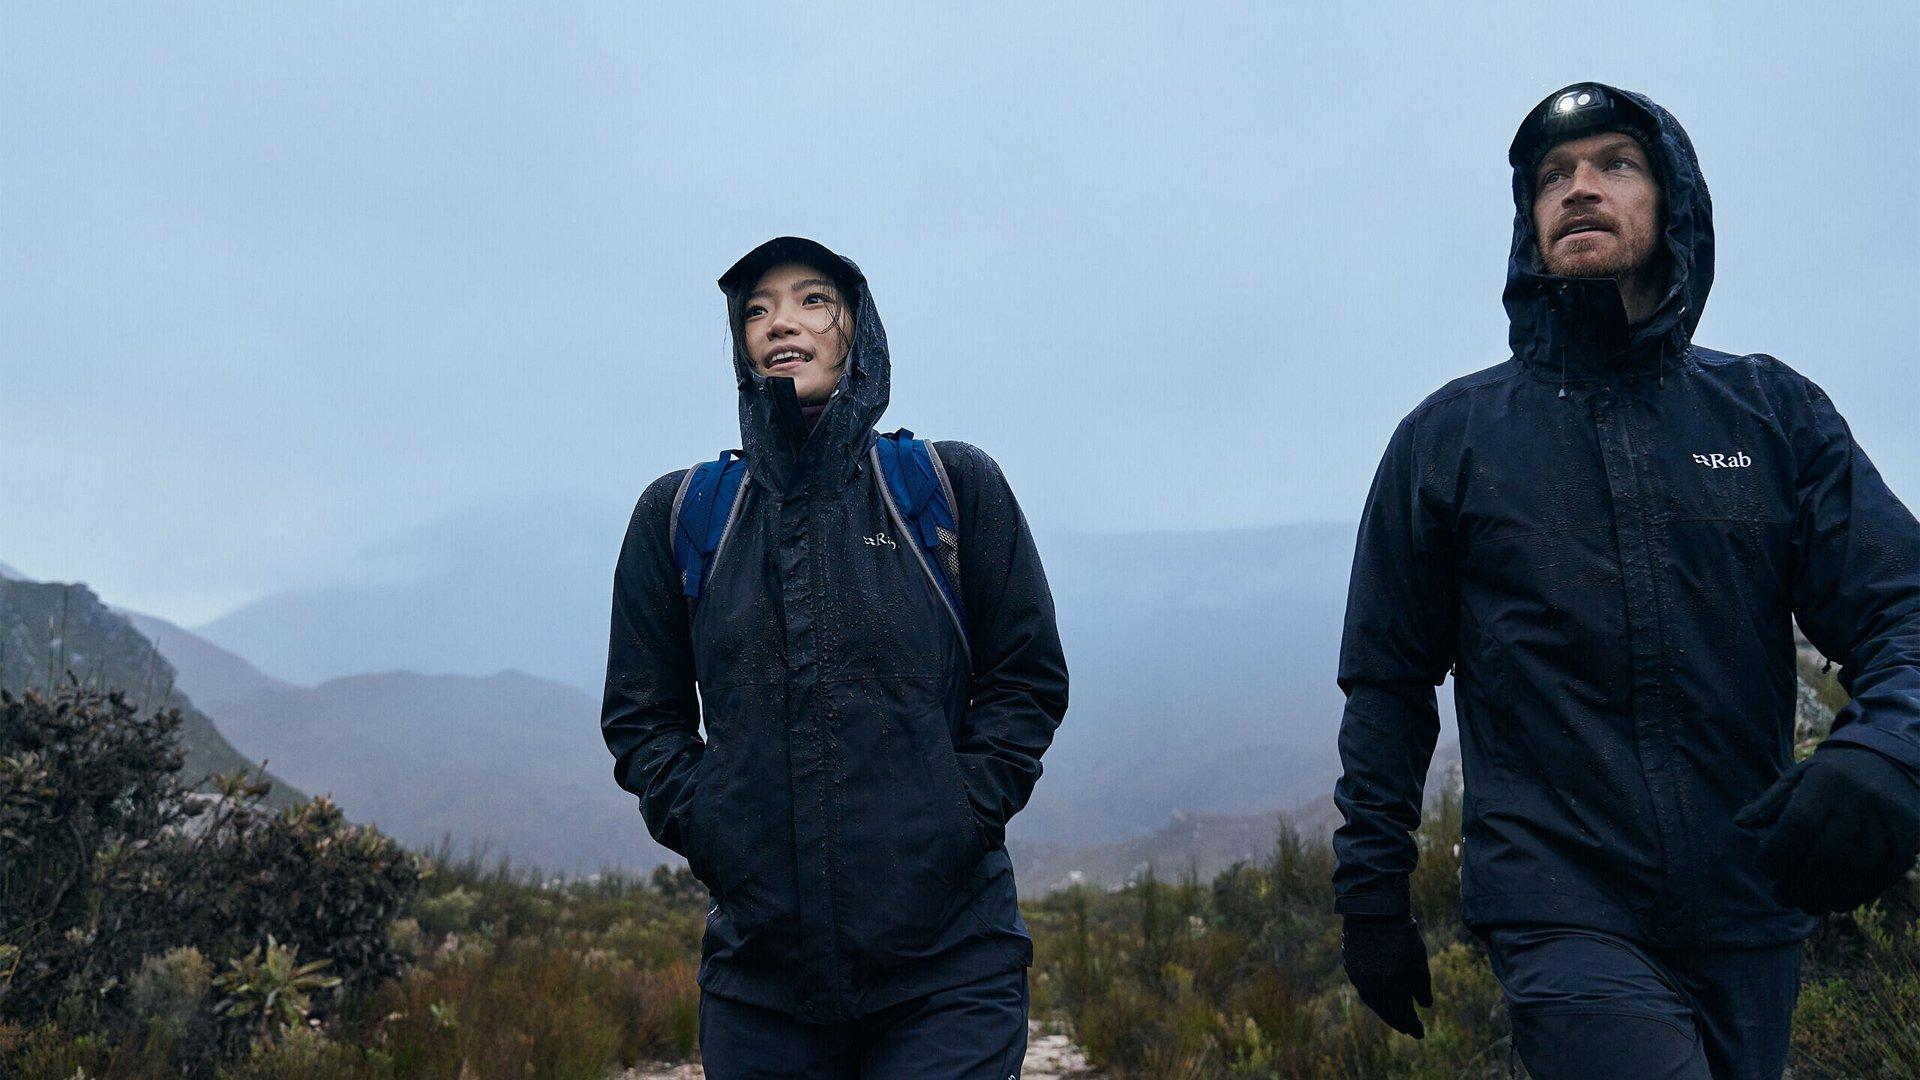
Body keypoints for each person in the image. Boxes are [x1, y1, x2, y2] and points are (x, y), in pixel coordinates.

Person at [1331, 83, 1920, 1079]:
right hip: (1559, 905)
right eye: (1552, 177)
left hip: (1752, 901)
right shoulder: (1449, 442)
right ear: (1528, 224)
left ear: (1674, 200)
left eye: (1615, 164)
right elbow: (1388, 684)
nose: (1579, 188)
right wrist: (1372, 892)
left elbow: (1899, 605)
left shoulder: (1771, 416)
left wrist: (1889, 750)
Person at [601, 236, 1068, 1078]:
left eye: (813, 300)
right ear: (739, 344)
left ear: (857, 328)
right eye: (756, 309)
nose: (782, 322)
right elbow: (643, 718)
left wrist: (960, 812)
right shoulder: (682, 515)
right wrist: (713, 827)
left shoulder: (949, 487)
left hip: (949, 970)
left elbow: (1026, 678)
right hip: (761, 986)